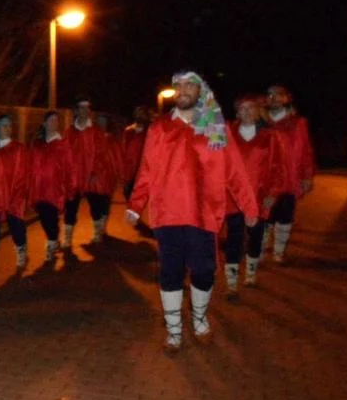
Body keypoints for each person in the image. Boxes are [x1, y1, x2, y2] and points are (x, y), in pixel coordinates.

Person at [126, 71, 258, 352]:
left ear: (200, 91)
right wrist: (136, 205)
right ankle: (174, 329)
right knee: (170, 271)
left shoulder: (216, 127)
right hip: (168, 212)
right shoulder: (160, 127)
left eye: (189, 85)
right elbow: (147, 168)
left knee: (204, 270)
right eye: (179, 85)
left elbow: (235, 170)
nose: (183, 89)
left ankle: (199, 317)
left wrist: (249, 205)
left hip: (204, 212)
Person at [223, 94, 288, 296]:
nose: (247, 112)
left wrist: (273, 193)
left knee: (256, 235)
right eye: (242, 108)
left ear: (258, 111)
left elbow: (279, 167)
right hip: (233, 197)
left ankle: (250, 273)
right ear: (237, 113)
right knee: (233, 237)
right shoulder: (226, 134)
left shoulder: (269, 137)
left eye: (251, 107)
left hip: (259, 196)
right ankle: (231, 282)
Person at [263, 84, 316, 263]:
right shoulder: (261, 122)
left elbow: (306, 150)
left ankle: (279, 250)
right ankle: (261, 247)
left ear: (287, 98)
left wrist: (307, 175)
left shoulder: (298, 123)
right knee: (266, 214)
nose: (274, 98)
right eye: (270, 95)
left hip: (289, 177)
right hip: (266, 179)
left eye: (279, 94)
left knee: (285, 215)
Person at [65, 97, 119, 246]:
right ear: (76, 111)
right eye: (82, 107)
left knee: (95, 206)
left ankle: (97, 233)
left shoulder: (96, 131)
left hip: (90, 176)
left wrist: (95, 173)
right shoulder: (70, 132)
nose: (85, 110)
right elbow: (65, 154)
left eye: (87, 108)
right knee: (71, 207)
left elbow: (101, 154)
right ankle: (67, 239)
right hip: (74, 177)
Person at [30, 111, 75, 263]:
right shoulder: (37, 144)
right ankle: (54, 239)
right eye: (51, 120)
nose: (54, 123)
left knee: (50, 216)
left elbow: (69, 167)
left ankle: (51, 244)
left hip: (55, 189)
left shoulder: (63, 144)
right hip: (39, 189)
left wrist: (70, 187)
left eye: (56, 120)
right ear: (44, 123)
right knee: (44, 218)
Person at [0, 114, 31, 269]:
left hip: (14, 195)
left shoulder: (18, 148)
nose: (7, 128)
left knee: (16, 225)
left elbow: (23, 172)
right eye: (4, 125)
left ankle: (21, 251)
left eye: (9, 125)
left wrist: (18, 194)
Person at [121, 106, 151, 201]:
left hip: (144, 170)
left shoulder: (150, 132)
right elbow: (124, 150)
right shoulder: (129, 131)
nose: (140, 116)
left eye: (142, 114)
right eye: (138, 114)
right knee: (129, 195)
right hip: (130, 170)